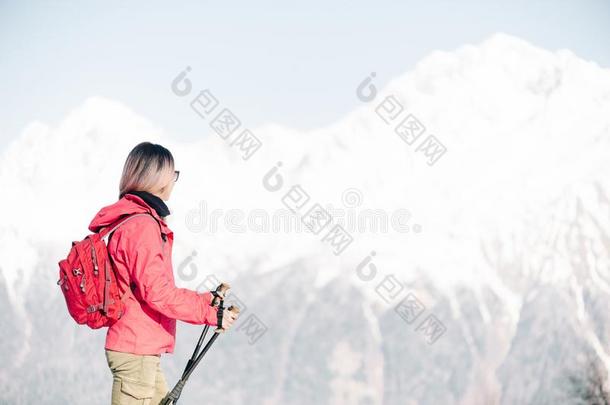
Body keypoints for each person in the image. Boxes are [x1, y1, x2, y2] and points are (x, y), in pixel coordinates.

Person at [88, 141, 237, 404]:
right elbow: (157, 293)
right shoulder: (142, 226)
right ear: (156, 178)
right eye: (173, 174)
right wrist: (210, 313)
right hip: (136, 353)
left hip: (140, 350)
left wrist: (205, 301)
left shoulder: (135, 220)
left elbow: (149, 288)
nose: (174, 181)